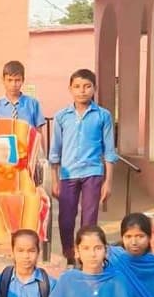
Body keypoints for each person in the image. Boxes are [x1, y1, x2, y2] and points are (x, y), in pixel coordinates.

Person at [49, 69, 117, 264]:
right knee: (66, 218)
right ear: (70, 89)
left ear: (94, 89)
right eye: (77, 87)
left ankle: (86, 257)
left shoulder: (103, 116)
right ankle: (69, 254)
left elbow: (109, 151)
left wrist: (108, 182)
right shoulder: (62, 116)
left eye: (87, 86)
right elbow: (55, 150)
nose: (82, 91)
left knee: (89, 220)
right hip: (68, 173)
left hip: (92, 173)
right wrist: (54, 180)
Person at [0, 60, 46, 131]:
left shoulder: (33, 104)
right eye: (9, 80)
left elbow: (39, 133)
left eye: (17, 80)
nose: (13, 84)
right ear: (3, 80)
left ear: (23, 80)